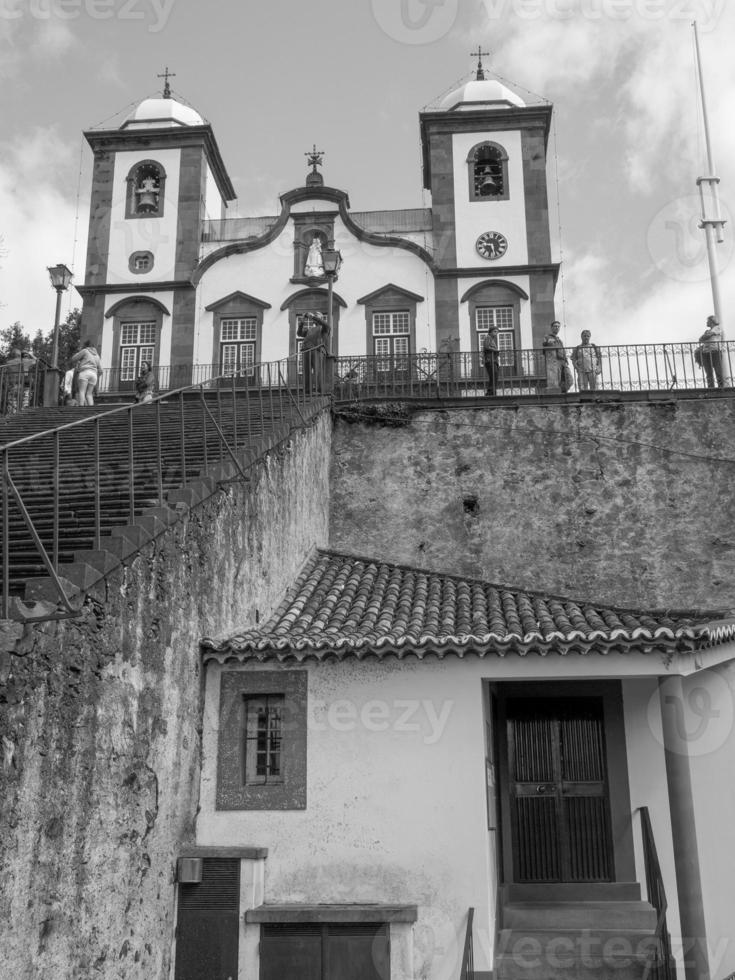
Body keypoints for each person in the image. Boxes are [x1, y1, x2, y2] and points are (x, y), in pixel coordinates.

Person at [297, 312, 330, 394]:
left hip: (317, 350)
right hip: (306, 350)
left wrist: (313, 317)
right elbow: (299, 333)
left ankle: (319, 389)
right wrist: (302, 321)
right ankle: (307, 390)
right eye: (314, 316)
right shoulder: (310, 329)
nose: (314, 318)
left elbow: (326, 325)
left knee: (318, 370)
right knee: (306, 371)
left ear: (321, 318)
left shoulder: (324, 328)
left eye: (317, 316)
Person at [3, 348, 36, 415]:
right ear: (20, 355)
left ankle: (12, 419)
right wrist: (29, 353)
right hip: (23, 385)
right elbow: (36, 360)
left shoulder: (8, 363)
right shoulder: (24, 361)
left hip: (12, 386)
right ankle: (22, 417)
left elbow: (5, 375)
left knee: (12, 405)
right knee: (24, 404)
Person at [71, 339, 103, 406]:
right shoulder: (97, 356)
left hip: (85, 372)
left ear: (86, 345)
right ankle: (91, 409)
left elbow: (73, 359)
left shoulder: (85, 351)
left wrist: (78, 353)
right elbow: (101, 370)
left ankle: (81, 407)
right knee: (89, 394)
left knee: (82, 391)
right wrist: (97, 375)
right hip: (94, 375)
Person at [698, 315, 724, 389]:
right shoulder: (708, 331)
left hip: (715, 351)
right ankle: (711, 387)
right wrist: (705, 336)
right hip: (706, 352)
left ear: (712, 321)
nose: (706, 322)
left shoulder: (717, 328)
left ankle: (721, 387)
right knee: (708, 372)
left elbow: (706, 336)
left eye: (707, 321)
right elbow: (700, 339)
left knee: (718, 370)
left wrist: (706, 336)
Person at [542, 320, 570, 392]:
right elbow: (544, 345)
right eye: (555, 326)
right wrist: (548, 343)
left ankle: (564, 390)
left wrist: (566, 360)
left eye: (558, 326)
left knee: (568, 377)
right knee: (557, 378)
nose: (557, 328)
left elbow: (563, 350)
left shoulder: (559, 340)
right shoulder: (547, 337)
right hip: (555, 360)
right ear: (551, 328)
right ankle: (560, 391)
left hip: (562, 361)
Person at [482, 326, 500, 396]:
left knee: (494, 375)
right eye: (495, 331)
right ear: (490, 332)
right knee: (494, 374)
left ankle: (491, 391)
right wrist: (495, 350)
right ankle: (490, 392)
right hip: (489, 360)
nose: (496, 333)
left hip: (493, 359)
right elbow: (486, 347)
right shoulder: (488, 337)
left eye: (497, 332)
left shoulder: (491, 339)